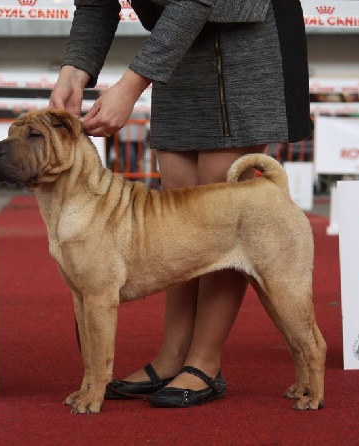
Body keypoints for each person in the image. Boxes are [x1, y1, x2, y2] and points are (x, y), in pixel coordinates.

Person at [49, 0, 313, 408]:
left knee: (220, 215)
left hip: (245, 34)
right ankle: (172, 355)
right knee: (177, 212)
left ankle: (204, 361)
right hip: (176, 44)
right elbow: (95, 4)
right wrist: (73, 72)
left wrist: (131, 85)